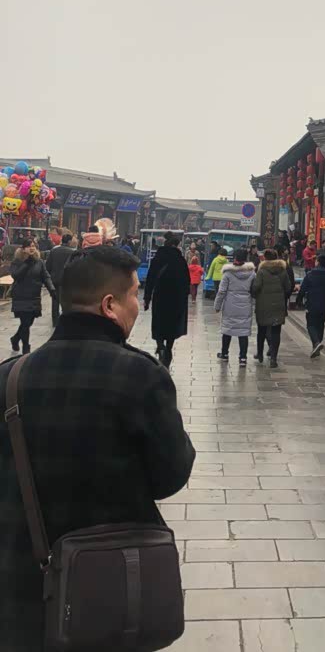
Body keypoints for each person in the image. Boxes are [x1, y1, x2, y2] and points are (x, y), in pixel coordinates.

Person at [0, 246, 195, 652]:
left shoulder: (9, 378)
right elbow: (171, 476)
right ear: (110, 305)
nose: (138, 305)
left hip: (21, 585)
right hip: (109, 585)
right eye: (134, 294)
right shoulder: (141, 376)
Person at [144, 231, 190, 367]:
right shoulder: (180, 260)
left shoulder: (158, 258)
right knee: (171, 325)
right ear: (176, 245)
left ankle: (160, 346)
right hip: (176, 299)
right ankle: (168, 348)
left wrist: (147, 298)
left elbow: (150, 278)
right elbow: (186, 281)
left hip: (160, 296)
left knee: (159, 322)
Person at [9, 240, 57, 354]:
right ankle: (26, 348)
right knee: (25, 322)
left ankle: (15, 338)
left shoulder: (39, 262)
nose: (32, 248)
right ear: (23, 248)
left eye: (33, 246)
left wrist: (51, 289)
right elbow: (16, 276)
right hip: (21, 296)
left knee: (28, 322)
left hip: (34, 296)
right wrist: (26, 263)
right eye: (29, 246)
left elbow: (45, 276)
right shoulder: (17, 261)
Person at [215, 248, 256, 366]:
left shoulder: (228, 273)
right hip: (246, 304)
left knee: (227, 329)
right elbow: (254, 289)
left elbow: (222, 291)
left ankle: (224, 353)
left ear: (234, 258)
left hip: (230, 305)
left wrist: (217, 305)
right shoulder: (252, 273)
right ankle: (242, 358)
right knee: (243, 332)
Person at [252, 249, 291, 368]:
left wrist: (254, 295)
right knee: (276, 332)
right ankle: (273, 358)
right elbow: (288, 288)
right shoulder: (283, 271)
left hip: (263, 305)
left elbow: (256, 287)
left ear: (265, 258)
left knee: (261, 330)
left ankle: (260, 354)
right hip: (278, 305)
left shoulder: (261, 271)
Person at [297, 253, 325, 358]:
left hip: (312, 304)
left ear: (318, 262)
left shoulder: (310, 274)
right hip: (324, 305)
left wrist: (298, 301)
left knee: (311, 325)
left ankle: (316, 343)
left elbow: (302, 290)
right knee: (320, 325)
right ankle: (316, 347)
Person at [45, 232, 76, 326]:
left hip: (54, 280)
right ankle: (64, 320)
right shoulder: (72, 252)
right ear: (69, 241)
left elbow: (48, 266)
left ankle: (55, 321)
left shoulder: (54, 251)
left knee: (55, 301)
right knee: (66, 301)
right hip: (67, 280)